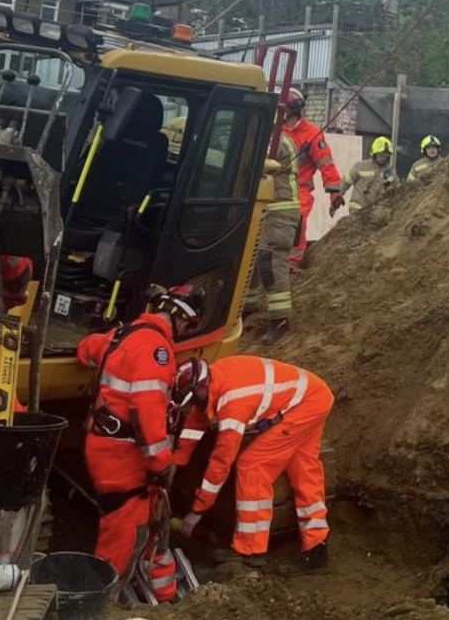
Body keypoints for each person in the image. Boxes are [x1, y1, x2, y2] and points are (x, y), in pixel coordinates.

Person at [76, 288, 201, 582]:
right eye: (187, 324)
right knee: (124, 530)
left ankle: (147, 586)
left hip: (106, 445)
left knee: (139, 520)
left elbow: (86, 349)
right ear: (178, 317)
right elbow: (147, 413)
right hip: (121, 455)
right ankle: (105, 597)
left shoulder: (122, 335)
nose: (184, 331)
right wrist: (161, 465)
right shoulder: (157, 351)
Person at [173, 354, 333, 575]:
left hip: (305, 404)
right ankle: (317, 547)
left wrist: (198, 509)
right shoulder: (214, 379)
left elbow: (222, 461)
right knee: (303, 471)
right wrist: (176, 463)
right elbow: (196, 420)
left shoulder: (233, 403)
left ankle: (250, 550)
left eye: (192, 399)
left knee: (252, 465)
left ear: (201, 385)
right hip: (312, 396)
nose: (192, 405)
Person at [247, 126, 302, 345]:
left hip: (279, 213)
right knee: (251, 262)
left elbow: (255, 163)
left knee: (270, 262)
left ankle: (280, 319)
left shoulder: (275, 141)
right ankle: (247, 309)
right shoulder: (271, 137)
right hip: (267, 210)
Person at [281, 90, 343, 268]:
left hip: (300, 190)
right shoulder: (276, 131)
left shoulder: (312, 134)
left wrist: (334, 192)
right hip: (274, 186)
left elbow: (326, 164)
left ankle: (292, 264)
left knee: (297, 221)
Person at [342, 136, 397, 213]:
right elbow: (345, 182)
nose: (383, 158)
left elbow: (395, 189)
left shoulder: (390, 171)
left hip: (375, 210)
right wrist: (337, 196)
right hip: (358, 207)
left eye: (386, 156)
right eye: (380, 155)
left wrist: (390, 189)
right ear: (374, 154)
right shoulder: (360, 166)